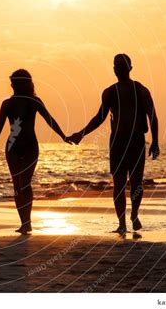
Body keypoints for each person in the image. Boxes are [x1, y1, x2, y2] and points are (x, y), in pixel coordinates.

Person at [67, 54, 160, 234]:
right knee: (118, 183)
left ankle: (134, 214)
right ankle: (121, 223)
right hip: (117, 142)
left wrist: (155, 142)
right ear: (114, 69)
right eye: (117, 66)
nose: (119, 69)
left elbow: (152, 116)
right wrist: (81, 134)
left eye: (122, 65)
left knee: (136, 182)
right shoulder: (109, 92)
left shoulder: (141, 90)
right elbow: (100, 118)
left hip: (136, 141)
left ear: (130, 68)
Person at [0, 69, 71, 234]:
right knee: (17, 185)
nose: (13, 85)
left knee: (25, 183)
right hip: (12, 146)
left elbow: (49, 119)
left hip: (30, 146)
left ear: (24, 83)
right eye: (12, 82)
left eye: (15, 82)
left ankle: (28, 222)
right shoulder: (7, 104)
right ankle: (23, 222)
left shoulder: (34, 101)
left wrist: (62, 136)